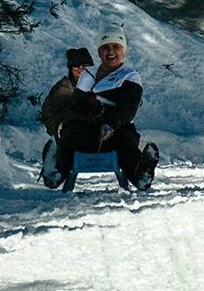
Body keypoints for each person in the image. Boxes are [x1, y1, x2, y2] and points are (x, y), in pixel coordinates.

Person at [56, 27, 159, 190]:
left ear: (123, 51)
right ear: (99, 51)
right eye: (105, 47)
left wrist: (110, 124)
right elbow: (77, 106)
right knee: (71, 135)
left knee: (125, 141)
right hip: (87, 130)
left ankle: (141, 174)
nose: (110, 51)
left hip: (116, 130)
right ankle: (55, 172)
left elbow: (127, 109)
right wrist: (89, 113)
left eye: (115, 46)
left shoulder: (130, 76)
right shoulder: (88, 74)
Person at [39, 48, 94, 187]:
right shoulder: (64, 87)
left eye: (85, 66)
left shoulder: (98, 85)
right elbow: (51, 111)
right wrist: (56, 131)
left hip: (94, 133)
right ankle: (54, 171)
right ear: (70, 69)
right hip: (69, 132)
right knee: (68, 147)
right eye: (76, 66)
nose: (81, 69)